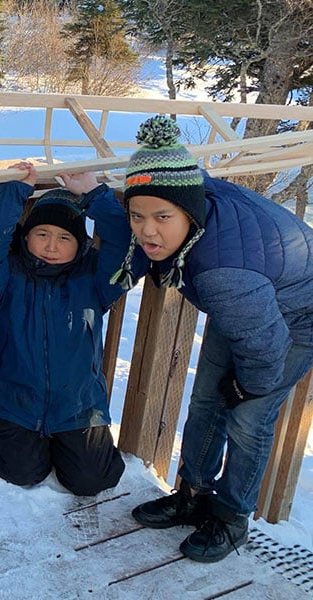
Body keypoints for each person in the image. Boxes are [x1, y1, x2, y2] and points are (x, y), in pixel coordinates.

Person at [118, 116, 313, 563]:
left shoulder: (223, 272)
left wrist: (250, 386)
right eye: (137, 215)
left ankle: (230, 517)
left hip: (298, 317)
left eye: (162, 218)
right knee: (207, 399)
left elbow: (265, 350)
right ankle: (193, 494)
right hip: (254, 305)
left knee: (249, 419)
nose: (148, 231)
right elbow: (175, 184)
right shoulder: (194, 193)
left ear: (189, 211)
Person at [0, 161, 136, 498]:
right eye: (42, 234)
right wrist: (14, 191)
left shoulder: (96, 280)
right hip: (13, 403)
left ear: (80, 244)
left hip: (80, 406)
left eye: (64, 237)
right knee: (22, 472)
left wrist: (95, 195)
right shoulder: (7, 278)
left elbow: (129, 246)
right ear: (26, 238)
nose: (52, 246)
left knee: (92, 481)